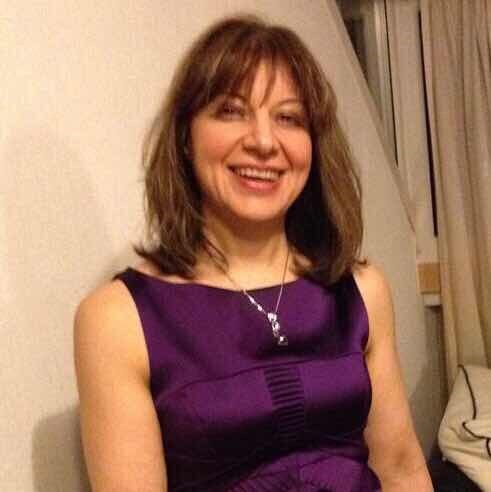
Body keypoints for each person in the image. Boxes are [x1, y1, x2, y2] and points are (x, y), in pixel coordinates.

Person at [74, 14, 433, 492]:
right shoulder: (116, 319)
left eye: (289, 118)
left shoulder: (362, 290)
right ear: (185, 137)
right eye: (231, 110)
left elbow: (402, 467)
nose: (264, 142)